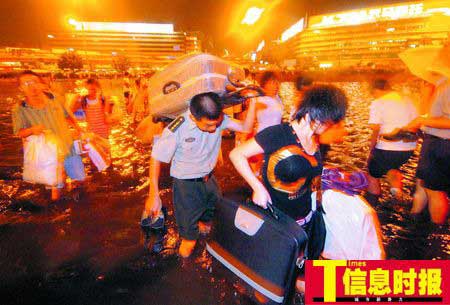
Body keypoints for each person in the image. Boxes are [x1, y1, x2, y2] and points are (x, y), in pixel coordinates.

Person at [230, 84, 348, 256]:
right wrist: (257, 188)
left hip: (307, 218)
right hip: (279, 221)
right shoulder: (277, 134)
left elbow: (308, 174)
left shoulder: (314, 140)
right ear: (312, 113)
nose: (329, 125)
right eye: (328, 120)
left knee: (302, 271)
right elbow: (236, 154)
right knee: (281, 271)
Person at [143, 92, 257, 258]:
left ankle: (200, 225)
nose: (213, 129)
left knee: (213, 219)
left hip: (209, 181)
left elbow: (245, 128)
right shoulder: (176, 128)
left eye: (216, 125)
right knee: (189, 241)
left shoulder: (219, 119)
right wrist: (153, 193)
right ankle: (184, 271)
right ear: (193, 116)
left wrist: (252, 102)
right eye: (208, 126)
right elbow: (156, 157)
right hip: (186, 188)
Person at [12, 70, 86, 200]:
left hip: (69, 147)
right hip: (48, 154)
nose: (32, 86)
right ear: (20, 88)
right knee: (56, 187)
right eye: (26, 83)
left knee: (80, 178)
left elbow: (68, 115)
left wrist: (80, 131)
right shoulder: (20, 109)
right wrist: (32, 129)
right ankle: (57, 212)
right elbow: (19, 132)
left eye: (35, 82)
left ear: (41, 84)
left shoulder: (54, 97)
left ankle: (78, 202)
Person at [366, 78, 419, 199]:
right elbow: (416, 122)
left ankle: (373, 203)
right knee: (392, 167)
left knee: (373, 175)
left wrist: (371, 149)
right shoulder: (408, 100)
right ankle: (397, 196)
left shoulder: (379, 102)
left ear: (376, 90)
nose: (373, 96)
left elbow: (376, 129)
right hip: (409, 148)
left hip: (388, 146)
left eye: (372, 93)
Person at [408, 76, 449, 225]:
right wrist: (426, 93)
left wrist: (421, 121)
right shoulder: (439, 85)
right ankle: (415, 216)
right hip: (432, 142)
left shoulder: (448, 86)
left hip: (442, 143)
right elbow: (428, 113)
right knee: (424, 184)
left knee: (435, 190)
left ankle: (436, 231)